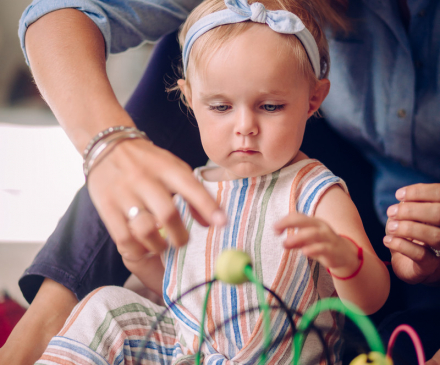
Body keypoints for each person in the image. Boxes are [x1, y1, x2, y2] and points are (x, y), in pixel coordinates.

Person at [0, 0, 439, 364]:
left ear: (313, 100)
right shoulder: (196, 185)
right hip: (190, 347)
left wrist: (346, 260)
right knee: (104, 304)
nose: (244, 127)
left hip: (274, 355)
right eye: (221, 107)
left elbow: (370, 299)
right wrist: (139, 258)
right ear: (190, 101)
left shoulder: (315, 190)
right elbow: (179, 287)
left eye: (269, 106)